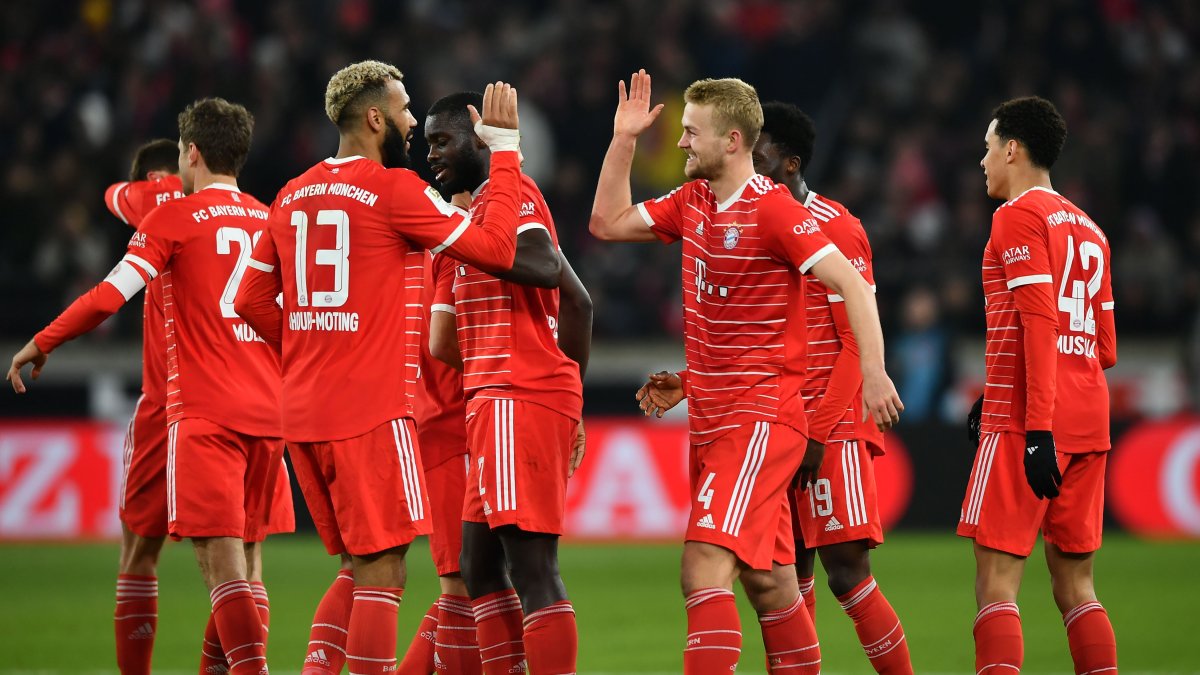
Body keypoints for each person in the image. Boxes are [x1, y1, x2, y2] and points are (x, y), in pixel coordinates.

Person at [591, 70, 902, 674]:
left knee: (703, 566)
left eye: (691, 131)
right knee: (773, 584)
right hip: (713, 422)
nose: (680, 142)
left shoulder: (774, 211)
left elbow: (852, 286)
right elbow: (607, 222)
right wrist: (624, 138)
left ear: (732, 140)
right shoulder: (693, 202)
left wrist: (874, 371)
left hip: (758, 420)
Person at [232, 62, 528, 675]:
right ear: (374, 119)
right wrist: (505, 155)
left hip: (302, 414)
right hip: (369, 413)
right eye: (403, 109)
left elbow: (249, 300)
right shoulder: (396, 191)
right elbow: (499, 250)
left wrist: (312, 348)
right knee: (385, 571)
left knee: (356, 566)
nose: (412, 121)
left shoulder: (291, 194)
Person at [10, 98, 284, 675]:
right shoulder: (271, 220)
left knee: (215, 567)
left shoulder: (170, 216)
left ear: (191, 153)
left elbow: (109, 294)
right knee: (249, 564)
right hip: (270, 413)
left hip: (203, 412)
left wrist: (44, 339)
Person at [397, 90, 592, 675]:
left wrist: (560, 394)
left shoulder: (513, 198)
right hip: (493, 395)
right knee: (478, 568)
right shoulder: (475, 217)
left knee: (533, 569)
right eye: (427, 142)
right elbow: (579, 302)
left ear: (481, 140)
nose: (431, 154)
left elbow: (543, 266)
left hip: (516, 394)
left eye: (442, 140)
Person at [752, 101, 913, 673]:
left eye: (760, 156)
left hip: (833, 425)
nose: (750, 166)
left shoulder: (837, 226)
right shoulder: (756, 225)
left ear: (791, 162)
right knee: (785, 579)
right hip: (780, 423)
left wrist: (817, 433)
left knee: (846, 574)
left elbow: (854, 342)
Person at [960, 96, 1118, 673]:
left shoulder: (1016, 216)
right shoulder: (1092, 229)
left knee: (996, 583)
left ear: (1012, 150)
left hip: (1028, 420)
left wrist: (1036, 429)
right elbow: (1104, 346)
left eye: (986, 148)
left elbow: (1039, 321)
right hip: (1089, 419)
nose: (982, 161)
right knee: (1077, 586)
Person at [101, 138, 183, 675]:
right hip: (242, 404)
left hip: (166, 405)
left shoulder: (157, 204)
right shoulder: (250, 212)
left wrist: (157, 188)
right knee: (242, 564)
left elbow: (112, 194)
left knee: (138, 554)